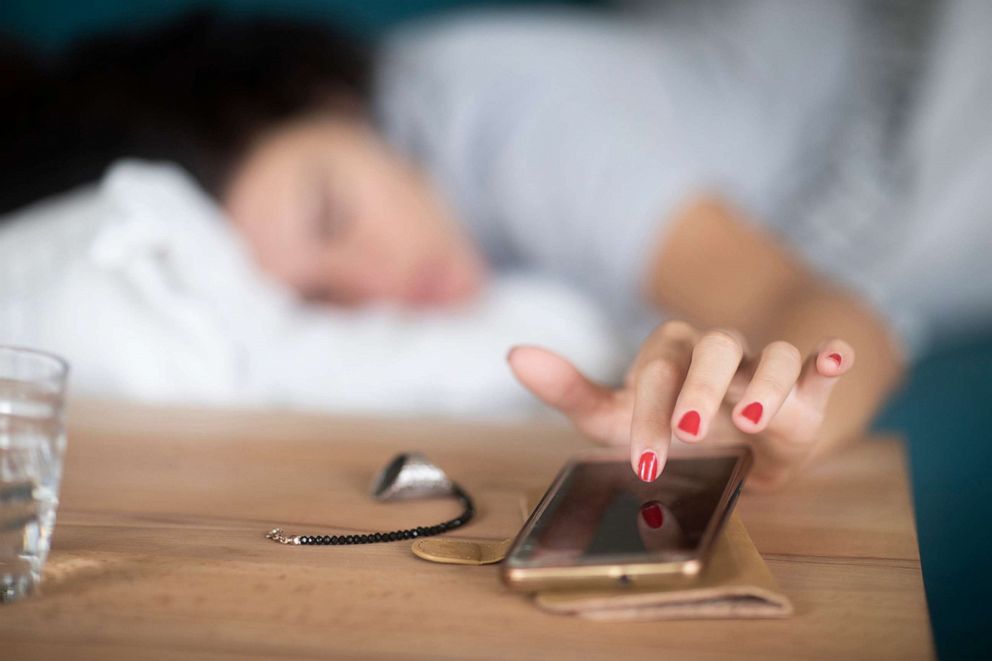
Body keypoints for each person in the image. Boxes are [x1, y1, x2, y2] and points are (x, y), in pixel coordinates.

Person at [2, 1, 985, 489]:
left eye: (332, 215)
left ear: (334, 102)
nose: (379, 288)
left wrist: (777, 414)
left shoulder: (501, 110)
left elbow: (822, 313)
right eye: (320, 297)